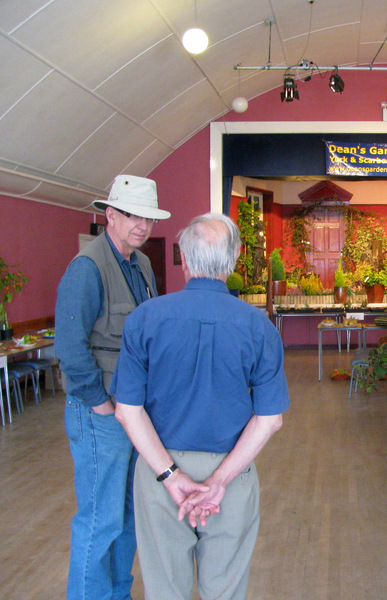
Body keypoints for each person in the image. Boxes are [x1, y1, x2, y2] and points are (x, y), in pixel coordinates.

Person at [113, 213, 289, 600]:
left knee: (164, 588)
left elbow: (127, 410)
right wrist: (219, 481)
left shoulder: (144, 319)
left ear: (184, 259)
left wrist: (172, 476)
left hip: (159, 469)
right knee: (224, 589)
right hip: (232, 469)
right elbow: (269, 419)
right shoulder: (258, 326)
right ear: (234, 259)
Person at [55, 174, 170, 600]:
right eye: (131, 215)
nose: (141, 225)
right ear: (110, 215)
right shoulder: (87, 268)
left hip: (133, 411)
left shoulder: (140, 265)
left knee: (126, 516)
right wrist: (100, 404)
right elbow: (69, 346)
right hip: (100, 413)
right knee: (100, 519)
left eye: (148, 218)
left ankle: (116, 594)